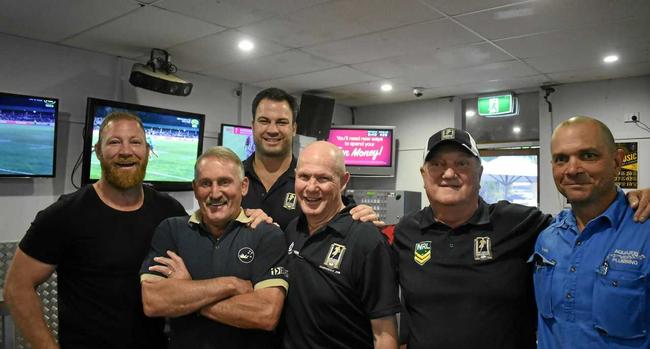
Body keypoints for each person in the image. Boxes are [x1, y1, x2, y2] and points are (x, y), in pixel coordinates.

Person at [392, 127, 650, 349]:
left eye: (461, 163)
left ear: (479, 173)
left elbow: (582, 220)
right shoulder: (404, 231)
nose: (448, 173)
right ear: (424, 174)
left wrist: (630, 199)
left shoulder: (520, 223)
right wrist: (358, 214)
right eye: (437, 164)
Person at [3, 112, 188, 348]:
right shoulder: (64, 214)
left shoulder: (169, 210)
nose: (125, 151)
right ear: (98, 151)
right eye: (114, 142)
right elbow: (17, 288)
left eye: (135, 142)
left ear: (147, 151)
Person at [140, 146, 288, 349]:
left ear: (243, 186)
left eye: (224, 182)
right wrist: (231, 285)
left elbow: (265, 313)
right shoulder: (171, 230)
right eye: (205, 183)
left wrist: (187, 295)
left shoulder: (267, 234)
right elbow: (153, 301)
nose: (215, 193)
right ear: (195, 188)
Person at [532, 116, 649, 348]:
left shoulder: (644, 231)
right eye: (561, 159)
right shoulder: (547, 238)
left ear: (617, 162)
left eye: (588, 156)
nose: (573, 169)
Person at [283, 141, 400, 349]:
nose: (311, 187)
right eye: (304, 177)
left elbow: (384, 333)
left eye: (323, 178)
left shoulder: (366, 240)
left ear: (343, 181)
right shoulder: (293, 229)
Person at [242, 87, 379, 229]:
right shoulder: (232, 179)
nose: (272, 130)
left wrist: (363, 216)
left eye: (282, 122)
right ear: (253, 126)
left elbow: (345, 216)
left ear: (294, 128)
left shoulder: (309, 182)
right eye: (264, 121)